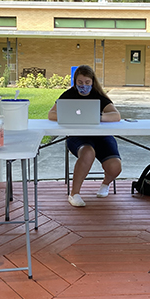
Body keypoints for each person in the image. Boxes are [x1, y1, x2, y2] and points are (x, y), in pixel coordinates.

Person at [48, 65, 122, 207]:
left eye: (87, 82)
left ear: (92, 82)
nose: (84, 86)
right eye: (80, 83)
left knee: (115, 167)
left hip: (101, 136)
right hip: (77, 136)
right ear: (75, 82)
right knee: (88, 153)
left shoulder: (98, 96)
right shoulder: (69, 95)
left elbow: (116, 115)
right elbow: (51, 114)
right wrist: (69, 117)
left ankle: (105, 184)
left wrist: (97, 117)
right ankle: (74, 194)